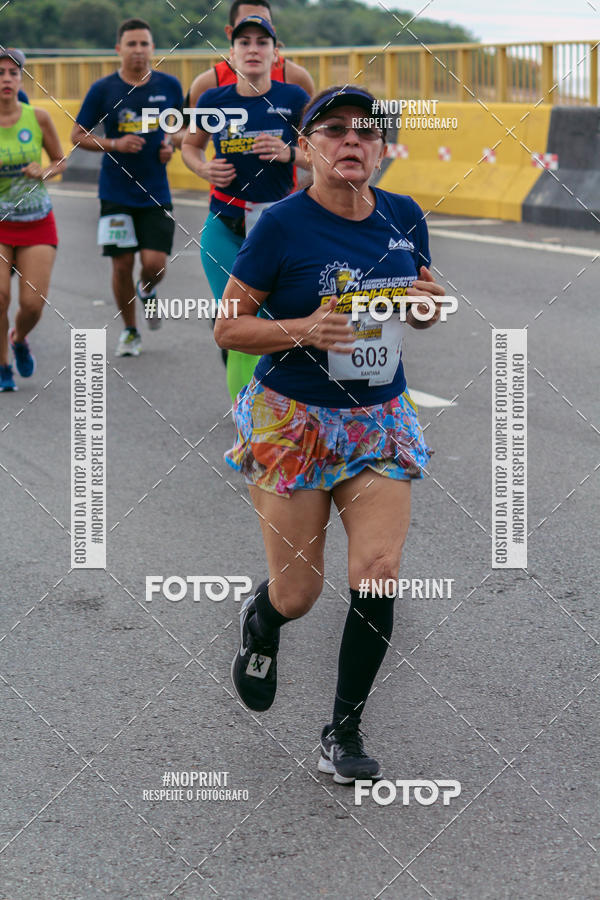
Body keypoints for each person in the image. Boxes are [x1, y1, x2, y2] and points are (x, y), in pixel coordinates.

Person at [214, 86, 446, 783]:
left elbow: (425, 298)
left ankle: (342, 731)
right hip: (294, 421)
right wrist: (303, 329)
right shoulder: (282, 226)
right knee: (299, 594)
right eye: (335, 129)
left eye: (367, 132)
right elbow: (228, 327)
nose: (353, 140)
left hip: (379, 418)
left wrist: (429, 305)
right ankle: (263, 623)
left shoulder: (403, 216)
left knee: (377, 572)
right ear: (308, 145)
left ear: (382, 149)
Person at [182, 16, 310, 401]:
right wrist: (204, 167)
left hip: (279, 231)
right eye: (244, 43)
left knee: (273, 323)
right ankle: (248, 423)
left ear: (275, 53)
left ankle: (279, 405)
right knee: (239, 328)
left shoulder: (293, 100)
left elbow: (318, 155)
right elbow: (190, 146)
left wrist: (290, 153)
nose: (253, 49)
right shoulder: (213, 100)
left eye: (261, 42)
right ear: (232, 54)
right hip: (225, 227)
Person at [71, 18, 184, 357]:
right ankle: (131, 330)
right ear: (119, 49)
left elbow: (179, 130)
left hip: (155, 191)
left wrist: (171, 146)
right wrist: (115, 145)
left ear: (153, 49)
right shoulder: (104, 89)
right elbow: (77, 135)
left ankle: (147, 290)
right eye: (131, 44)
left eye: (144, 44)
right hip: (115, 192)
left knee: (155, 264)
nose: (138, 51)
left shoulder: (170, 85)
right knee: (121, 264)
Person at [0, 48, 66, 392]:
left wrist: (44, 170)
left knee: (31, 304)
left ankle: (19, 338)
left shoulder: (37, 117)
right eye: (0, 73)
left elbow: (60, 160)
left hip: (36, 219)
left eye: (13, 73)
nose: (6, 79)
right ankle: (3, 366)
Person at [185, 0, 314, 108]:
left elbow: (311, 133)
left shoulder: (297, 79)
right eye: (247, 23)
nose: (256, 27)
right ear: (230, 32)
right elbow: (182, 133)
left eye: (264, 23)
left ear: (272, 32)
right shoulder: (207, 84)